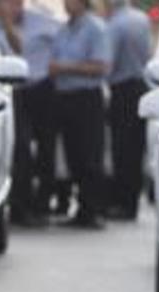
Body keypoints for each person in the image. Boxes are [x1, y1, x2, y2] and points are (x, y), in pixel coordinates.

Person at [0, 0, 62, 226]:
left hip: (42, 88)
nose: (14, 7)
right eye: (9, 3)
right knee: (21, 148)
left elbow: (61, 46)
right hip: (15, 91)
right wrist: (6, 24)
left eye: (18, 3)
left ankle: (44, 202)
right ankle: (21, 205)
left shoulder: (44, 21)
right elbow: (15, 48)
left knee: (46, 146)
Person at [50, 0, 110, 229]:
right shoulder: (64, 29)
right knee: (73, 155)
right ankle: (82, 210)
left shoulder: (95, 28)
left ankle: (95, 210)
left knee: (90, 155)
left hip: (87, 97)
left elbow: (101, 66)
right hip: (65, 98)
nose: (67, 4)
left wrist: (65, 68)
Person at [104, 0, 150, 220]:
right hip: (140, 86)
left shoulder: (115, 25)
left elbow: (107, 62)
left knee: (122, 149)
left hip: (122, 90)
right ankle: (130, 201)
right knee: (135, 148)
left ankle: (122, 203)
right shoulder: (140, 19)